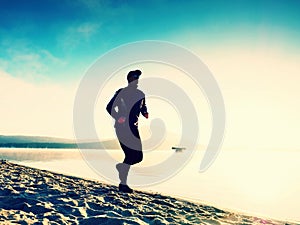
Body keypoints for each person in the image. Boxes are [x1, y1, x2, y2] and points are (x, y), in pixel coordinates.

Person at [106, 69, 149, 193]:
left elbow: (143, 106)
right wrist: (118, 116)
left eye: (137, 78)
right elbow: (109, 107)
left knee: (138, 157)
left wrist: (144, 112)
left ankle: (121, 168)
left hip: (134, 128)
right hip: (122, 128)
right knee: (130, 155)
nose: (136, 80)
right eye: (133, 78)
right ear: (129, 79)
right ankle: (123, 184)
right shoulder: (121, 92)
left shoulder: (141, 94)